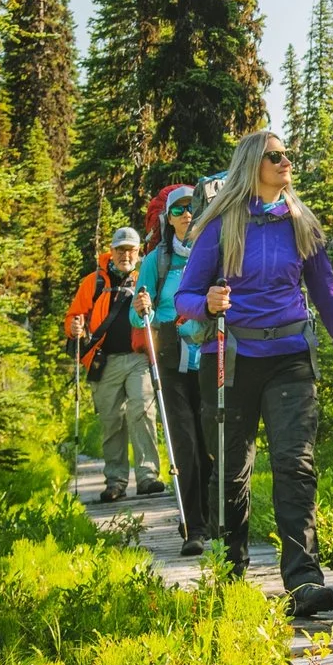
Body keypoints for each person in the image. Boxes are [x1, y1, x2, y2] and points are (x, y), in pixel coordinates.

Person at [175, 130, 333, 616]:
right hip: (230, 358)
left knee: (295, 465)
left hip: (291, 358)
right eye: (275, 156)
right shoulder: (221, 223)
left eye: (288, 156)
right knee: (232, 472)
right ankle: (230, 574)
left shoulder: (300, 222)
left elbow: (326, 287)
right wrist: (208, 302)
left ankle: (303, 581)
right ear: (253, 163)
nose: (285, 162)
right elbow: (184, 298)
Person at [133, 183, 212, 556]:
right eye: (178, 210)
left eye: (191, 208)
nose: (186, 215)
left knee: (211, 442)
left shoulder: (211, 252)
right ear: (168, 218)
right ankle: (193, 526)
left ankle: (212, 520)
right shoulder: (155, 261)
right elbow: (138, 316)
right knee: (186, 444)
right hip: (171, 359)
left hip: (211, 356)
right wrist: (142, 306)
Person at [67, 227, 165, 504]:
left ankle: (147, 476)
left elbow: (165, 308)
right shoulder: (94, 282)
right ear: (112, 251)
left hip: (139, 358)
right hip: (105, 359)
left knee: (143, 410)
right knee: (111, 420)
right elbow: (75, 315)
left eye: (131, 250)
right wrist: (75, 327)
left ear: (138, 252)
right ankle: (116, 481)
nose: (125, 255)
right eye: (120, 249)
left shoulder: (145, 277)